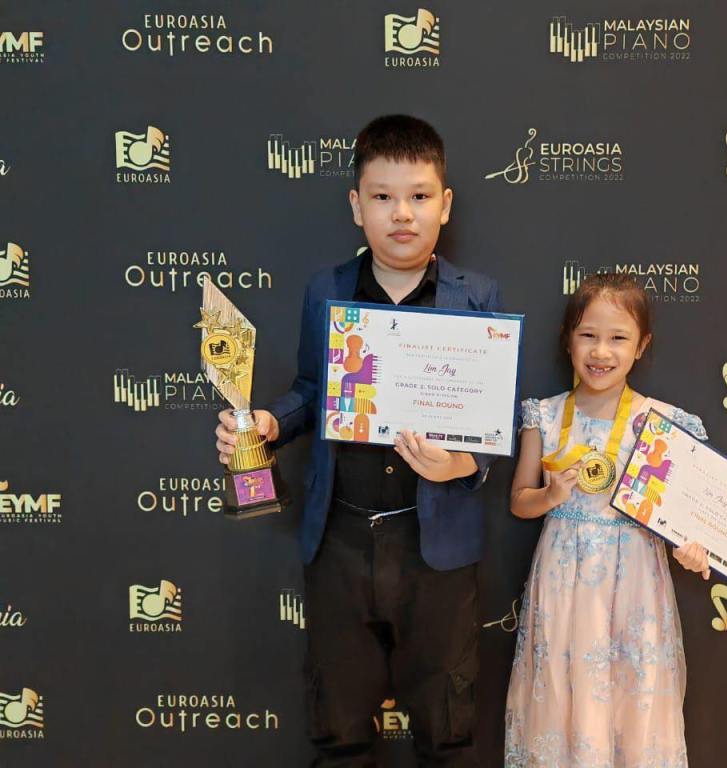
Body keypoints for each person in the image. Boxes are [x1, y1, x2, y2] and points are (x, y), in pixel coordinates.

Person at [215, 114, 501, 767]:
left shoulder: (477, 297)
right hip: (340, 540)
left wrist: (463, 463)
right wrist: (270, 424)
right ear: (356, 206)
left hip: (437, 547)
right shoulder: (328, 289)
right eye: (382, 196)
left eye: (419, 196)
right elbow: (310, 389)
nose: (402, 213)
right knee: (338, 730)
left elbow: (492, 419)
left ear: (445, 205)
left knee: (448, 732)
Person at [504, 273, 709, 767]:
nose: (601, 351)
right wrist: (551, 494)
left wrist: (694, 550)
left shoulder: (662, 422)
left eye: (618, 338)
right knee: (561, 691)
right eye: (588, 335)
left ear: (642, 346)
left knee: (633, 696)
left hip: (636, 579)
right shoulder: (544, 415)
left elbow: (686, 520)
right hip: (562, 578)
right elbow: (519, 501)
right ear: (568, 341)